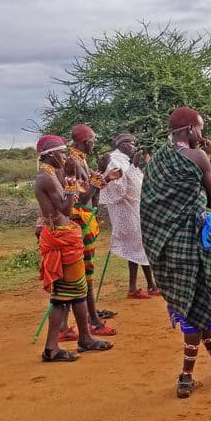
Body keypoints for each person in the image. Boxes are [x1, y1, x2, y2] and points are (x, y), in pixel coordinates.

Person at [140, 107, 211, 398]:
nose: (202, 135)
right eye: (200, 129)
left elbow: (151, 206)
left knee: (194, 310)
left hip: (168, 247)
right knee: (197, 309)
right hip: (194, 243)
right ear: (191, 129)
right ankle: (185, 376)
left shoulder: (156, 162)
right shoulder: (199, 156)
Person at [34, 135, 116, 362]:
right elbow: (67, 209)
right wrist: (71, 181)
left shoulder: (48, 175)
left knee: (78, 291)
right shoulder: (47, 178)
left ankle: (85, 338)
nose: (64, 157)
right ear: (51, 155)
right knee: (63, 295)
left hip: (65, 236)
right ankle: (52, 348)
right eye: (61, 153)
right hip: (61, 238)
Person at [64, 123, 118, 336]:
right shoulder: (73, 162)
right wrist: (103, 179)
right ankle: (92, 320)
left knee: (84, 272)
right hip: (79, 220)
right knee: (84, 274)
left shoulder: (80, 160)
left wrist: (104, 176)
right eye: (93, 141)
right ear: (86, 141)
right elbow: (83, 196)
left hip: (86, 219)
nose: (94, 145)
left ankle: (91, 315)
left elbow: (91, 185)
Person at [100, 133, 160, 299]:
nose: (134, 147)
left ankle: (137, 287)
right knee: (140, 246)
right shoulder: (114, 161)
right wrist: (133, 168)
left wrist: (135, 167)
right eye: (131, 143)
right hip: (125, 211)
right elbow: (119, 189)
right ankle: (149, 285)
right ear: (122, 144)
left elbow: (136, 182)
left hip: (134, 209)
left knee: (136, 247)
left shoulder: (124, 160)